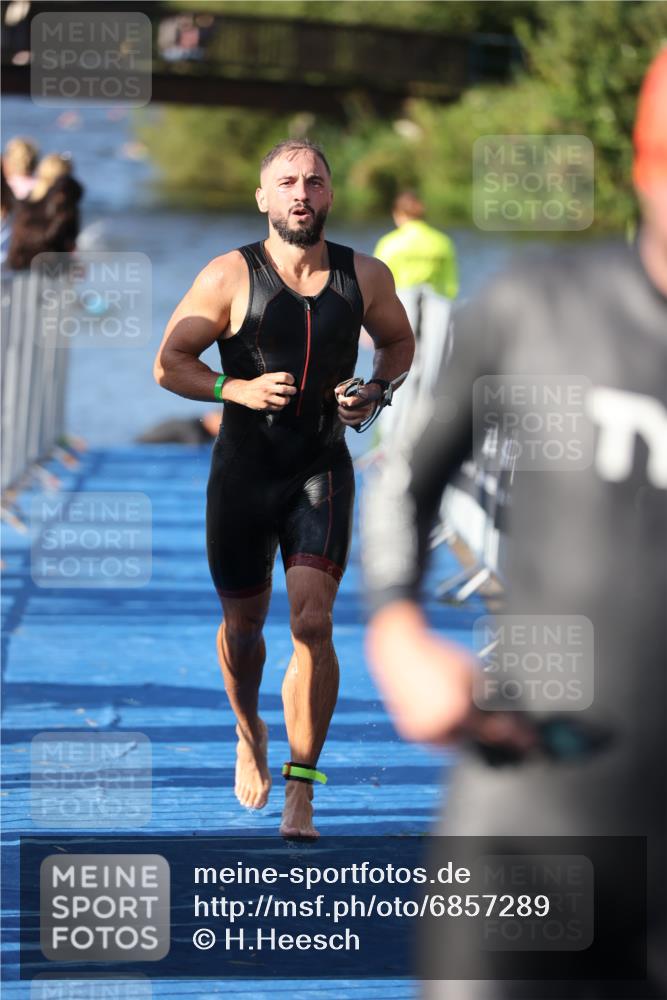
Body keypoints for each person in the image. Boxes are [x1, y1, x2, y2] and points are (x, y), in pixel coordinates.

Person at [363, 48, 667, 999]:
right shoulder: (542, 305)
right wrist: (398, 628)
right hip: (527, 831)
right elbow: (405, 474)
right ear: (645, 168)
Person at [155, 138, 414, 838]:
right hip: (242, 477)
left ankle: (301, 785)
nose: (301, 193)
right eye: (287, 182)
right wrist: (231, 386)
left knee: (312, 623)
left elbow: (398, 342)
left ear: (329, 196)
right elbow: (169, 362)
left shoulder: (365, 276)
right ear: (264, 197)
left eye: (315, 182)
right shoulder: (227, 275)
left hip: (319, 471)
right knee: (243, 632)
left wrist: (376, 392)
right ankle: (248, 733)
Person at [373, 190, 459, 300]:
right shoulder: (443, 241)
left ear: (398, 214)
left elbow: (377, 280)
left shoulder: (389, 243)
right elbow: (450, 283)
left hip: (401, 302)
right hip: (435, 302)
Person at [7, 154, 83, 271]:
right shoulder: (64, 205)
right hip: (51, 268)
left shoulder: (26, 201)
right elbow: (61, 238)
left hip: (18, 265)